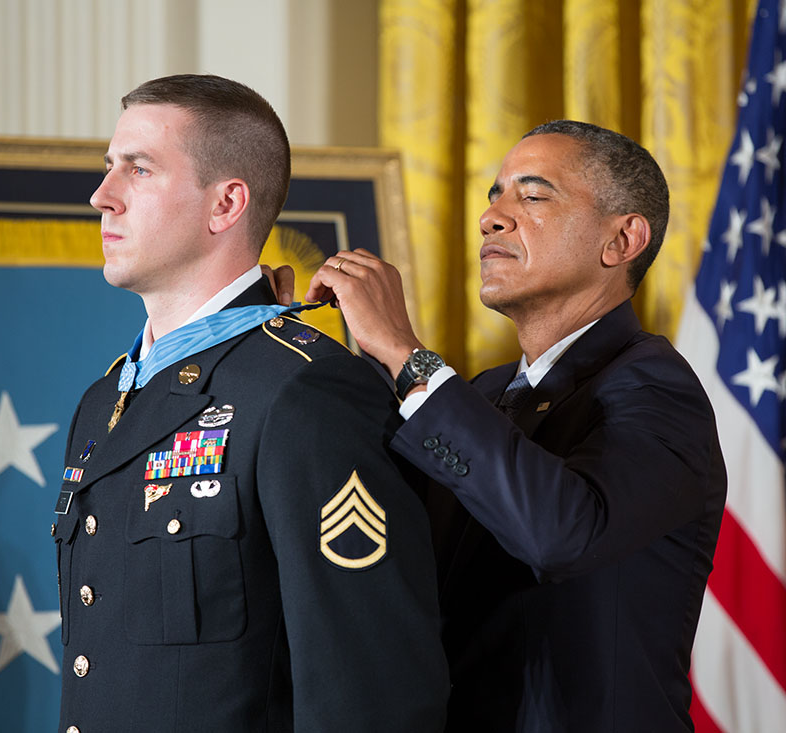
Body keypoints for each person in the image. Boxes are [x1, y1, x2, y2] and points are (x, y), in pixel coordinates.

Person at [297, 120, 728, 731]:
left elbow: (562, 534)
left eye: (532, 195)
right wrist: (278, 343)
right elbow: (381, 536)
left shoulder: (656, 385)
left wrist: (405, 353)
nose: (491, 218)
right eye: (494, 195)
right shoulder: (485, 394)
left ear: (622, 240)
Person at [51, 73, 448, 732]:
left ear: (226, 203)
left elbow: (372, 690)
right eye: (108, 168)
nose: (102, 196)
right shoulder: (106, 399)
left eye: (138, 169)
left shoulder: (305, 390)